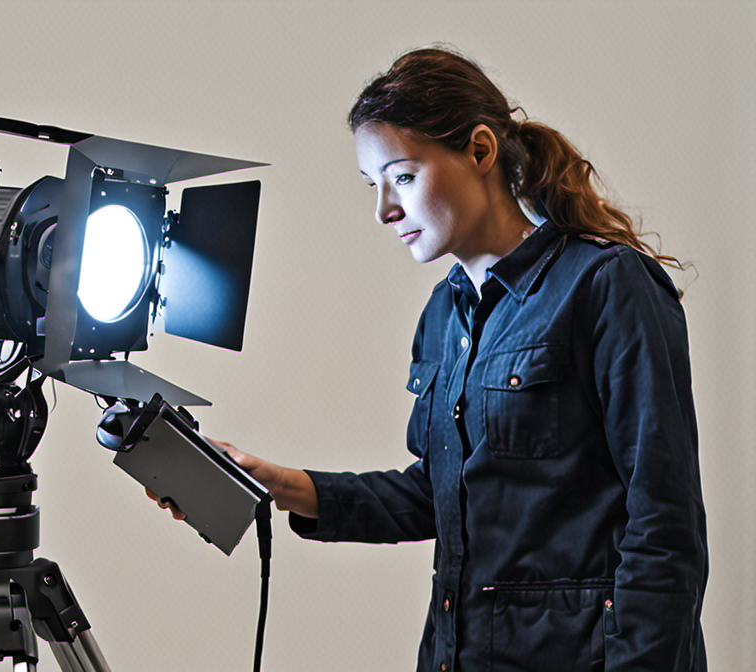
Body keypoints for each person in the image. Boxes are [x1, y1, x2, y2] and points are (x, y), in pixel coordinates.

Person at [149, 46, 708, 672]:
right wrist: (281, 484)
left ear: (480, 150)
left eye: (404, 177)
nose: (385, 210)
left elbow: (665, 526)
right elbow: (437, 495)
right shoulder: (446, 314)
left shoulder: (607, 286)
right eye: (374, 185)